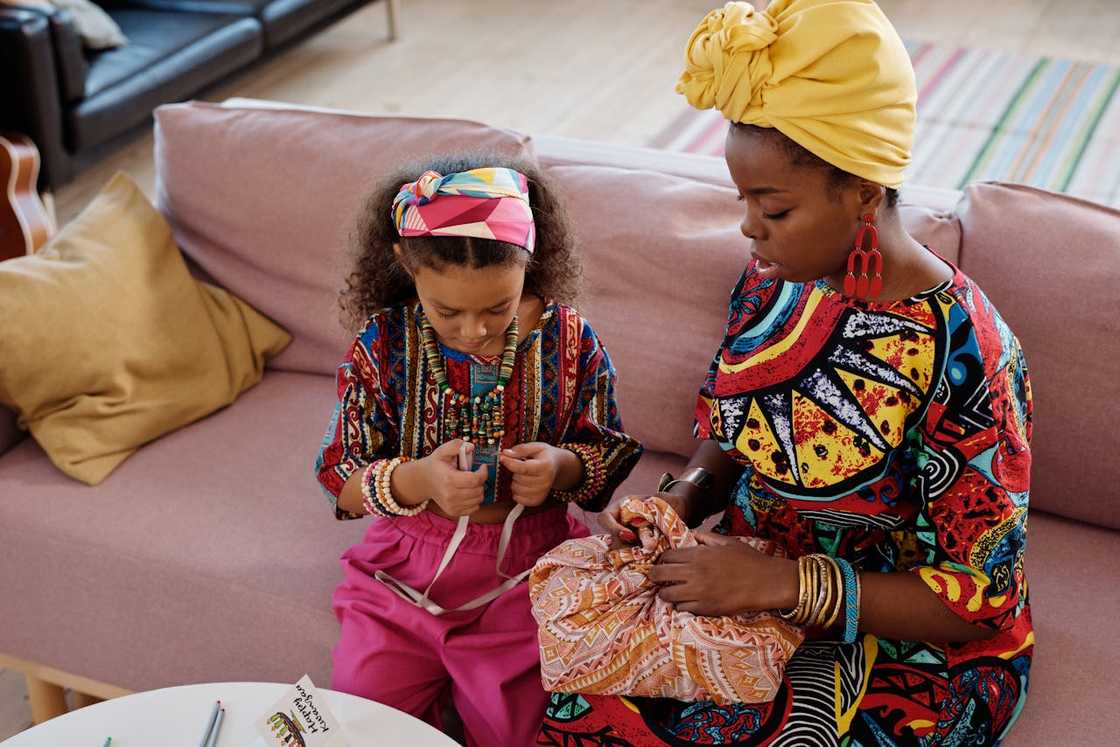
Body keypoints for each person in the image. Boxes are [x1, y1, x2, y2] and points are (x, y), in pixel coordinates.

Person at [539, 2, 1032, 745]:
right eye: (744, 201)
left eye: (772, 206)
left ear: (865, 189)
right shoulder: (775, 277)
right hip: (745, 576)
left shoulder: (972, 354)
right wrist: (685, 494)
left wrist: (786, 585)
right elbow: (733, 420)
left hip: (905, 641)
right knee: (583, 704)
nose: (747, 227)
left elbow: (976, 596)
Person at [315, 155, 642, 746]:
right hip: (402, 578)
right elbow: (340, 473)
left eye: (498, 308)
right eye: (447, 312)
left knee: (517, 730)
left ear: (530, 266)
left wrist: (559, 467)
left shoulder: (569, 341)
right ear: (404, 267)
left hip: (530, 575)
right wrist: (420, 480)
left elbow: (607, 451)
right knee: (362, 724)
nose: (473, 331)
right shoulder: (384, 342)